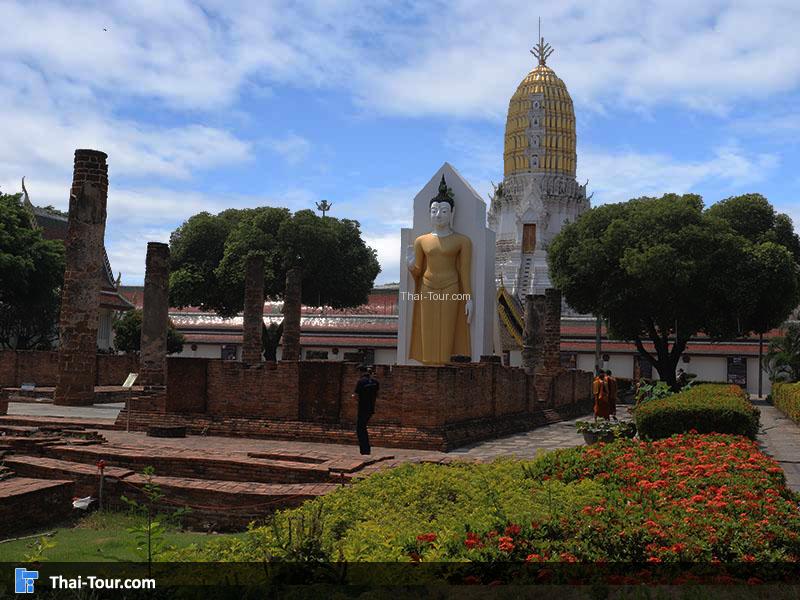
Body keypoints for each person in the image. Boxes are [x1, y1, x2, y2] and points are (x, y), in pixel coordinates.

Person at [406, 175, 472, 364]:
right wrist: (410, 265)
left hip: (452, 288)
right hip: (427, 287)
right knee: (428, 330)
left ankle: (444, 367)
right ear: (429, 213)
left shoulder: (462, 241)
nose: (438, 215)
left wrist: (469, 298)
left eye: (443, 210)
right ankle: (428, 368)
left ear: (452, 213)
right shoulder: (422, 240)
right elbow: (418, 271)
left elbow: (464, 272)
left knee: (447, 330)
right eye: (434, 211)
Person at [351, 365, 379, 455]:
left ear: (361, 372)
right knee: (363, 427)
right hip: (371, 408)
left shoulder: (361, 382)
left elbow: (355, 396)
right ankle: (366, 449)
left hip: (362, 408)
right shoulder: (376, 382)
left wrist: (355, 398)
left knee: (360, 428)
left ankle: (365, 450)